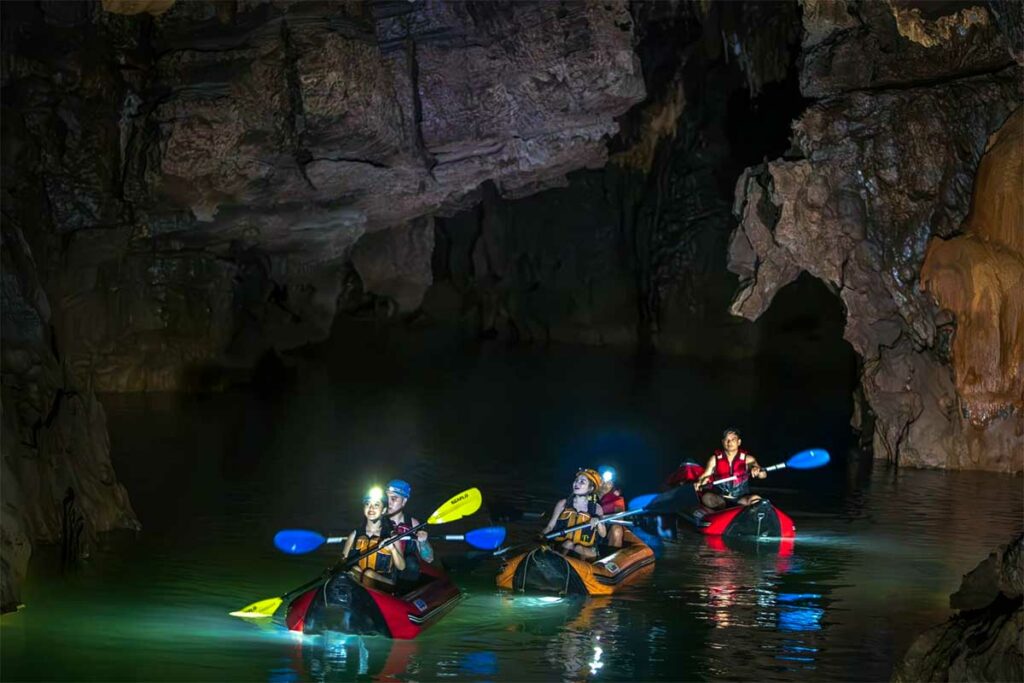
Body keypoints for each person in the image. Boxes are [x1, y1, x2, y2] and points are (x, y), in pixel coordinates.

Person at [341, 486, 406, 589]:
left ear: (384, 510)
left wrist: (392, 549)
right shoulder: (354, 534)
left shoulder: (392, 535)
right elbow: (342, 561)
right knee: (355, 569)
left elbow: (401, 567)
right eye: (367, 504)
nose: (371, 508)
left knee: (369, 574)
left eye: (376, 505)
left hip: (385, 583)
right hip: (361, 579)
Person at [542, 469, 607, 560]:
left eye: (582, 482)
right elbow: (550, 526)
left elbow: (603, 534)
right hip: (562, 545)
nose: (577, 483)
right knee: (568, 544)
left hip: (584, 549)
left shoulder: (596, 508)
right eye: (576, 480)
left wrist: (598, 522)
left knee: (578, 548)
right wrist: (541, 537)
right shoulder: (563, 503)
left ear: (590, 488)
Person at [694, 428, 767, 509]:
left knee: (756, 499)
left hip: (741, 498)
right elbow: (705, 476)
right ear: (722, 442)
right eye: (727, 440)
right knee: (706, 497)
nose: (729, 442)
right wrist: (700, 482)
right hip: (719, 498)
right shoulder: (714, 459)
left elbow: (763, 475)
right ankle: (723, 512)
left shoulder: (748, 459)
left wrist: (757, 470)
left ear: (739, 442)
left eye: (733, 439)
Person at [384, 479, 434, 582]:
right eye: (386, 498)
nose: (389, 502)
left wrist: (423, 542)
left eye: (394, 498)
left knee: (411, 562)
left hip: (404, 574)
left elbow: (429, 559)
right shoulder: (376, 520)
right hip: (382, 567)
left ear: (404, 501)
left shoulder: (414, 524)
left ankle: (404, 590)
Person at [597, 466, 626, 548]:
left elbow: (619, 518)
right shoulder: (587, 493)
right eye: (601, 480)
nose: (605, 483)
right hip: (588, 526)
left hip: (605, 529)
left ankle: (611, 556)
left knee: (617, 529)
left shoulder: (616, 499)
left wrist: (600, 519)